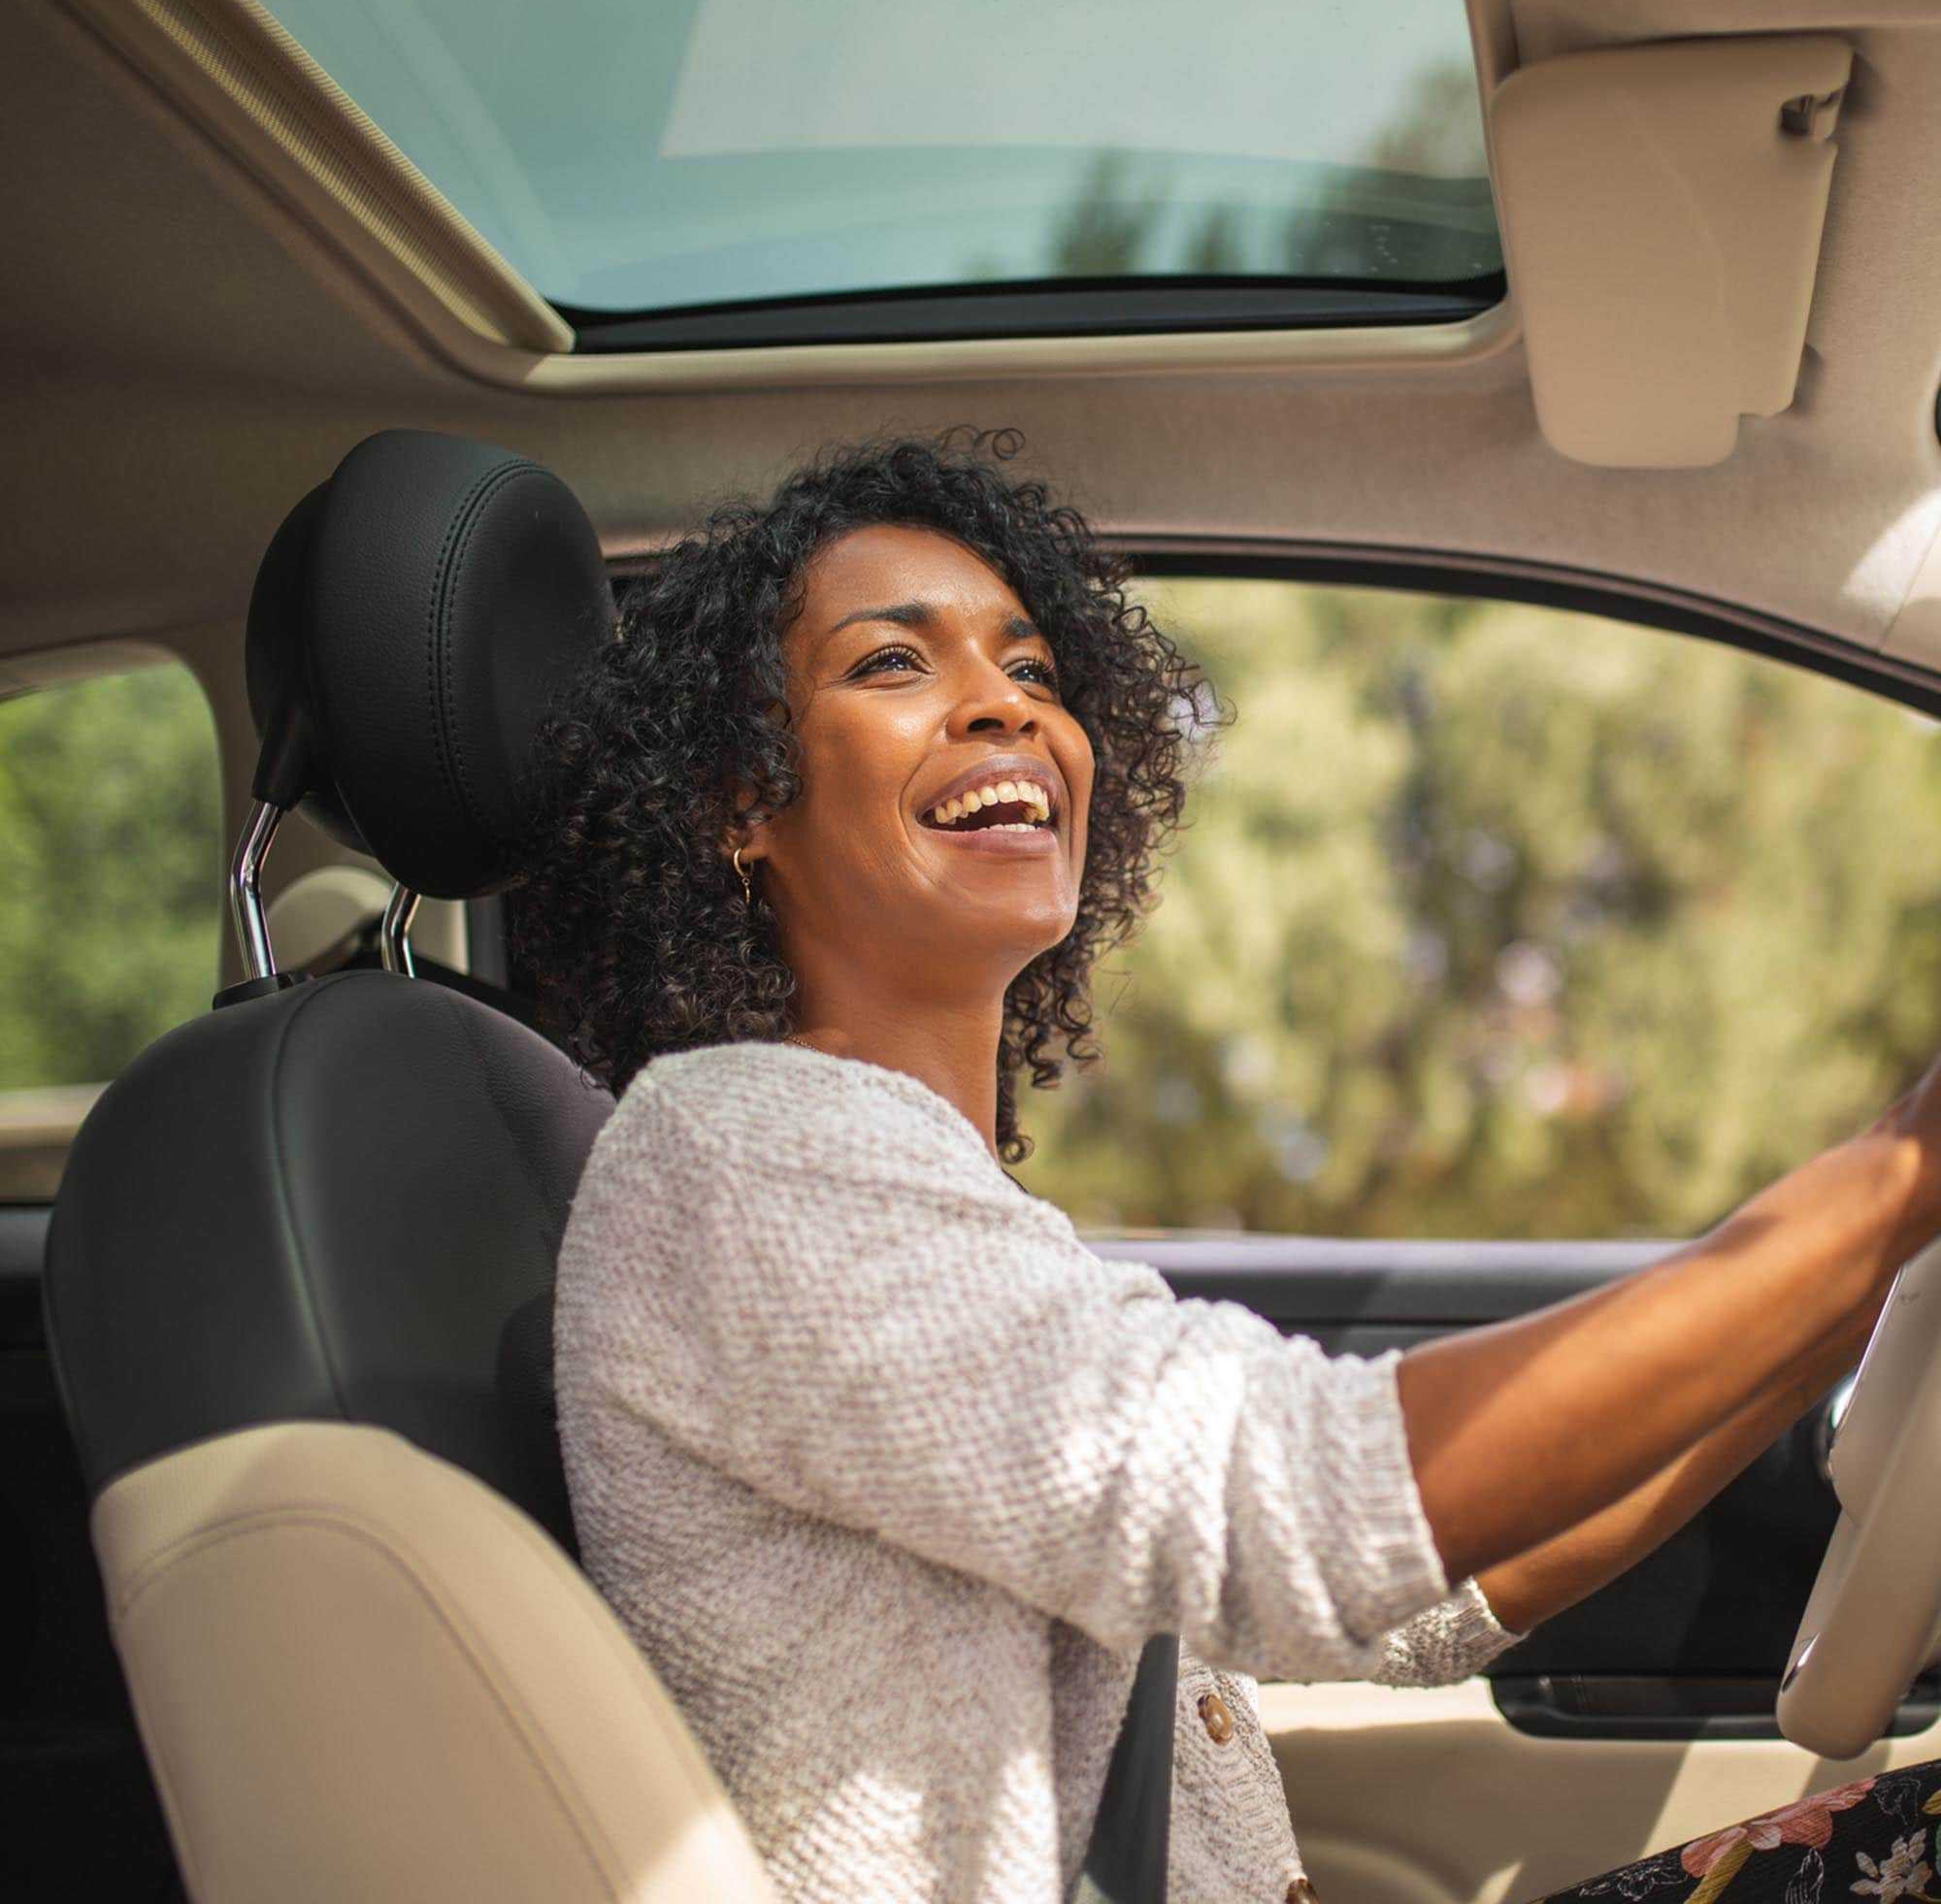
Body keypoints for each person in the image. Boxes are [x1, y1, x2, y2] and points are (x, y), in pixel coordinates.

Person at [508, 431, 1941, 1904]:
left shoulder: (948, 1216)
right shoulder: (743, 1152)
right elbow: (1307, 1513)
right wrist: (1903, 1173)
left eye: (1036, 673)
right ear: (741, 804)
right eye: (892, 665)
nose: (1002, 703)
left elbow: (1414, 1616)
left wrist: (1853, 1284)